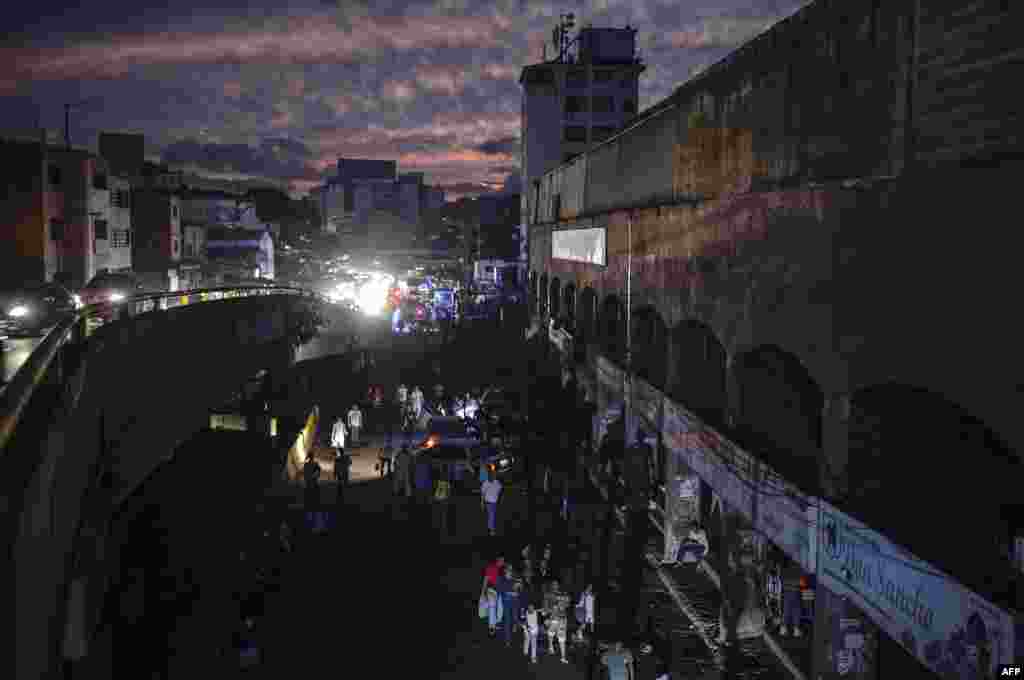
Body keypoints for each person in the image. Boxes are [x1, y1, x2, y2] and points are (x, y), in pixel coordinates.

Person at [543, 580, 570, 663]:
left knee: (562, 639)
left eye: (556, 584)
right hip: (553, 618)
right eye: (553, 584)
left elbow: (567, 605)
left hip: (562, 619)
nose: (555, 586)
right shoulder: (548, 595)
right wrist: (546, 617)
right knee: (551, 632)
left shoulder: (563, 594)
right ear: (551, 585)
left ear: (558, 585)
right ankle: (550, 646)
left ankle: (563, 657)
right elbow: (545, 608)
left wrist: (565, 602)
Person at [497, 566, 523, 648]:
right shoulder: (501, 579)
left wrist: (519, 585)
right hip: (506, 603)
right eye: (508, 570)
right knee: (507, 621)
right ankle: (507, 640)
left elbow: (519, 591)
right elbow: (500, 591)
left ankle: (518, 634)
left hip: (515, 603)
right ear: (505, 571)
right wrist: (511, 593)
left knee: (515, 619)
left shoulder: (515, 579)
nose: (510, 571)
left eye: (511, 570)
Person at [480, 467, 503, 536]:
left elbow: (500, 490)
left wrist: (499, 498)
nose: (492, 476)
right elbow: (482, 493)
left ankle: (489, 527)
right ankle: (491, 530)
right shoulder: (485, 483)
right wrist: (482, 502)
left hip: (494, 502)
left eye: (493, 475)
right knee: (492, 515)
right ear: (488, 476)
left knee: (492, 515)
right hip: (488, 502)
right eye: (491, 475)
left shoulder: (497, 482)